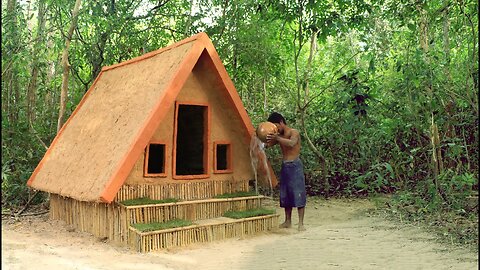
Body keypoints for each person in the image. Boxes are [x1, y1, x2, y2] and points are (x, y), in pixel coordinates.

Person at [265, 112, 306, 231]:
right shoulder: (278, 136)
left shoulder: (294, 132)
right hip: (285, 166)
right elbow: (267, 145)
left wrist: (277, 138)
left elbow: (292, 143)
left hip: (295, 165)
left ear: (281, 122)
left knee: (298, 193)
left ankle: (301, 223)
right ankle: (288, 221)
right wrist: (261, 136)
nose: (275, 128)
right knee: (285, 194)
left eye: (276, 126)